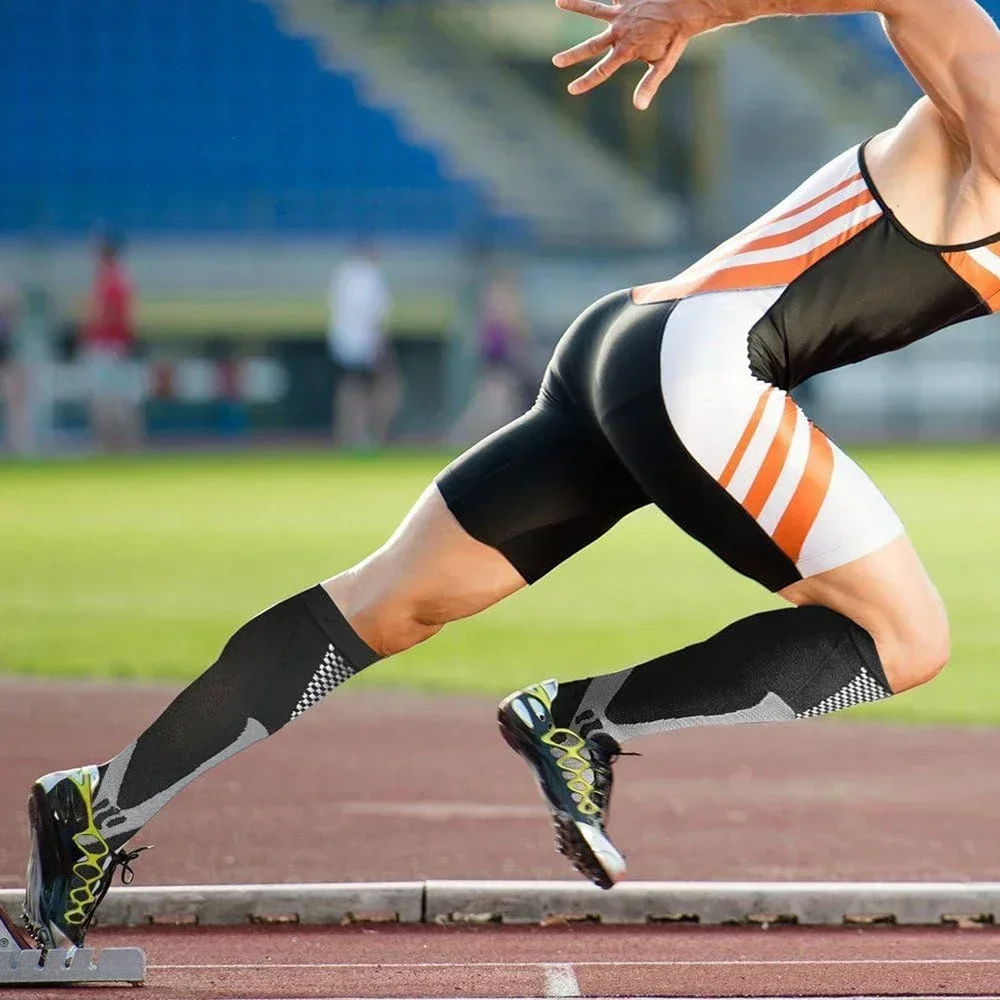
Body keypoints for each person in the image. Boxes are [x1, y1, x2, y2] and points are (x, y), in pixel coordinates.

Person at [19, 0, 1000, 950]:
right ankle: (581, 718)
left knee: (386, 604)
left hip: (622, 344)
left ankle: (98, 803)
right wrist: (702, 9)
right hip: (705, 366)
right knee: (904, 636)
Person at [327, 242, 397, 447]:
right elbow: (375, 316)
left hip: (345, 345)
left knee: (352, 390)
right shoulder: (370, 278)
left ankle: (351, 434)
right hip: (365, 345)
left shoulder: (344, 274)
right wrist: (378, 346)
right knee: (380, 389)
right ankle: (369, 434)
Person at [81, 234, 140, 452]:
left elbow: (111, 316)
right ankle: (119, 444)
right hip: (112, 345)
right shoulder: (115, 279)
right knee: (112, 398)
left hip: (108, 345)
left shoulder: (113, 281)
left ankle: (111, 445)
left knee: (107, 399)